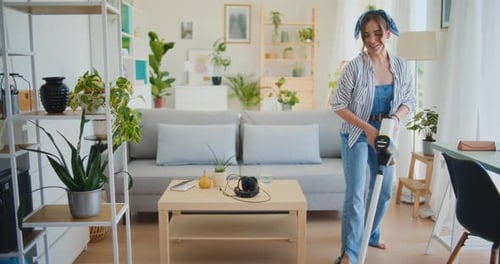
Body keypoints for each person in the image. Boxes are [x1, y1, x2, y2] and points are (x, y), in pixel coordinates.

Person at [330, 9, 416, 264]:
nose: (372, 39)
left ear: (388, 33)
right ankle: (349, 253)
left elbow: (410, 100)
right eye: (366, 34)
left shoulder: (400, 65)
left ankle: (371, 233)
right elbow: (337, 105)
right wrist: (367, 128)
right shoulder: (355, 67)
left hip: (386, 134)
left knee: (386, 189)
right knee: (356, 194)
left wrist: (397, 119)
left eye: (377, 33)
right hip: (356, 135)